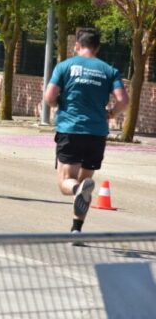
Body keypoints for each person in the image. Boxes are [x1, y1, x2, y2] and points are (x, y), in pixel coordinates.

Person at [44, 27, 128, 235]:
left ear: (77, 45)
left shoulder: (64, 66)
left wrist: (56, 105)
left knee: (67, 182)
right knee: (85, 182)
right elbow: (123, 100)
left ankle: (77, 191)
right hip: (96, 133)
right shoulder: (109, 71)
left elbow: (50, 96)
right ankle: (76, 229)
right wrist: (111, 114)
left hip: (71, 129)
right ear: (97, 48)